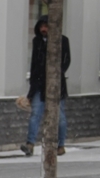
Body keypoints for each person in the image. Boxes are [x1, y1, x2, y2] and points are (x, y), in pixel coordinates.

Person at [22, 15, 69, 156]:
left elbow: (67, 60)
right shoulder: (37, 41)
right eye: (41, 26)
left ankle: (60, 145)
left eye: (46, 26)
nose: (43, 29)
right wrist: (31, 91)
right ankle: (30, 144)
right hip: (39, 84)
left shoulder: (63, 41)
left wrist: (57, 74)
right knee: (35, 114)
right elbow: (35, 65)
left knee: (59, 116)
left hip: (56, 85)